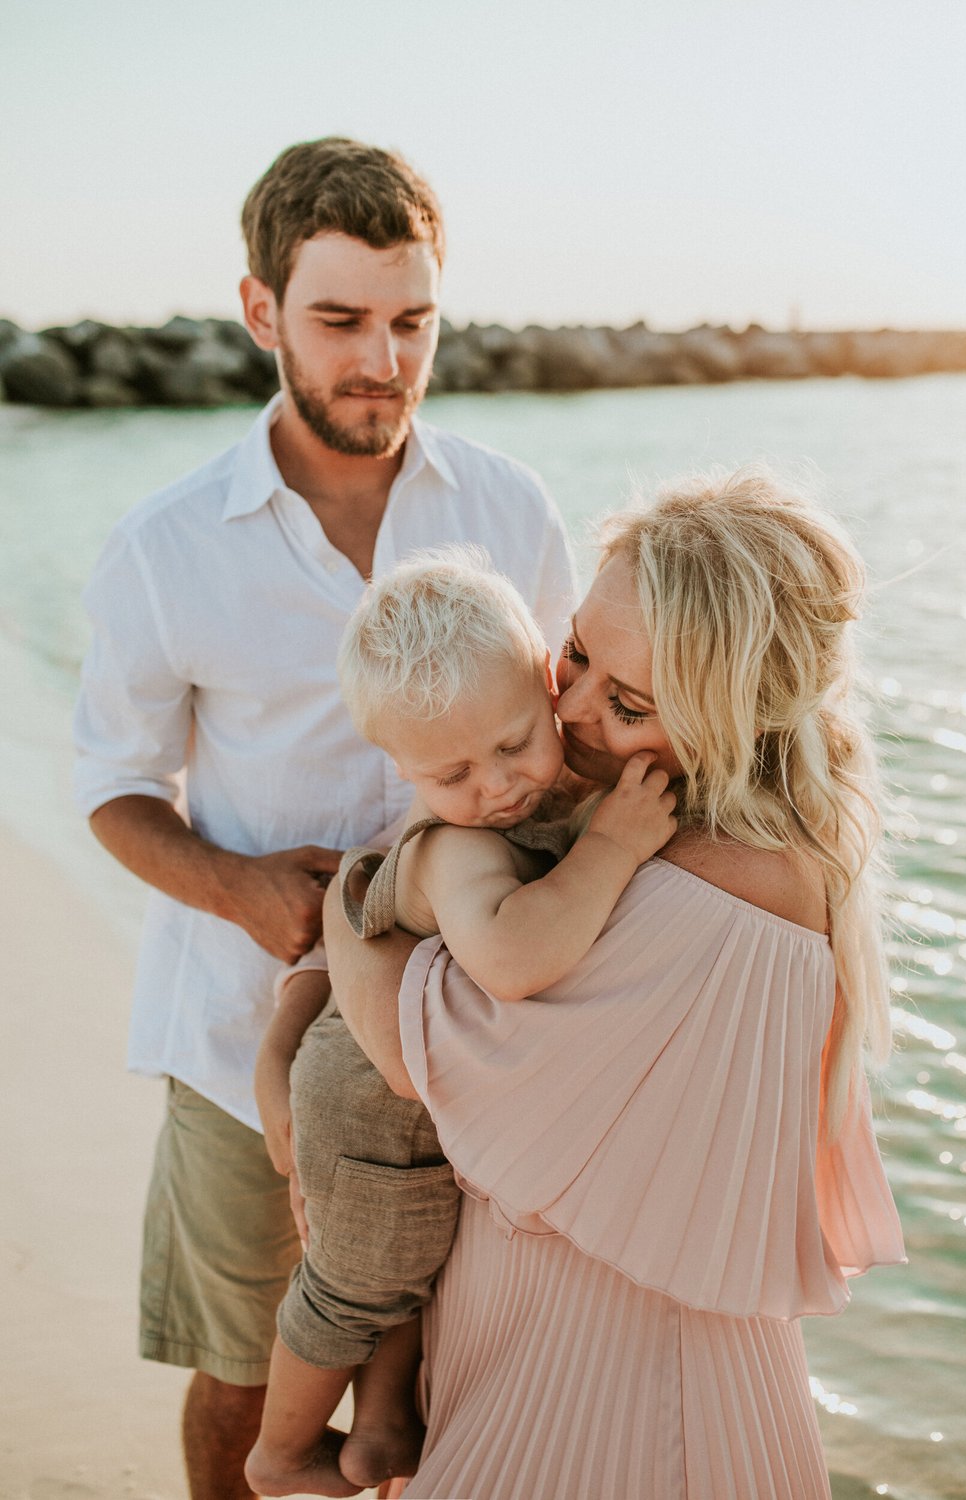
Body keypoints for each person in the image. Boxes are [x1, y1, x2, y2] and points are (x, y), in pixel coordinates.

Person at [72, 137, 575, 1499]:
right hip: (239, 1036)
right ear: (259, 314)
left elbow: (569, 737)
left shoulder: (510, 511)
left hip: (461, 1041)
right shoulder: (167, 547)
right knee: (247, 1378)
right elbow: (112, 789)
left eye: (412, 322)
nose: (384, 362)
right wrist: (238, 885)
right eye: (341, 321)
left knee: (442, 1375)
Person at [323, 467, 907, 1499]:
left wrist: (354, 900)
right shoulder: (672, 833)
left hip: (611, 1392)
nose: (573, 709)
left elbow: (425, 1056)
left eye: (628, 702)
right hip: (543, 1344)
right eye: (578, 653)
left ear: (733, 715)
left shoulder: (715, 893)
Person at [246, 550, 676, 1496]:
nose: (497, 788)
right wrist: (611, 843)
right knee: (358, 1283)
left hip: (403, 1105)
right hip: (366, 1111)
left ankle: (380, 1430)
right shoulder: (460, 847)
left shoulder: (523, 795)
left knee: (416, 1274)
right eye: (452, 773)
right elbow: (515, 957)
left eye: (517, 744)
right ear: (400, 773)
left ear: (547, 683)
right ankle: (279, 1454)